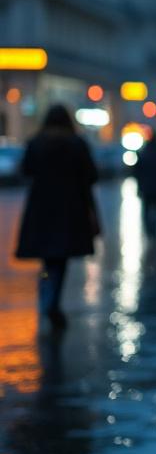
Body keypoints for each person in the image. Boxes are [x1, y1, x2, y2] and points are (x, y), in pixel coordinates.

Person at [14, 105, 99, 327]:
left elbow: (25, 171)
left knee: (47, 259)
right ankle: (51, 301)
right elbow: (90, 176)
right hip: (69, 209)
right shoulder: (77, 144)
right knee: (60, 260)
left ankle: (46, 298)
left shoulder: (36, 143)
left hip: (41, 208)